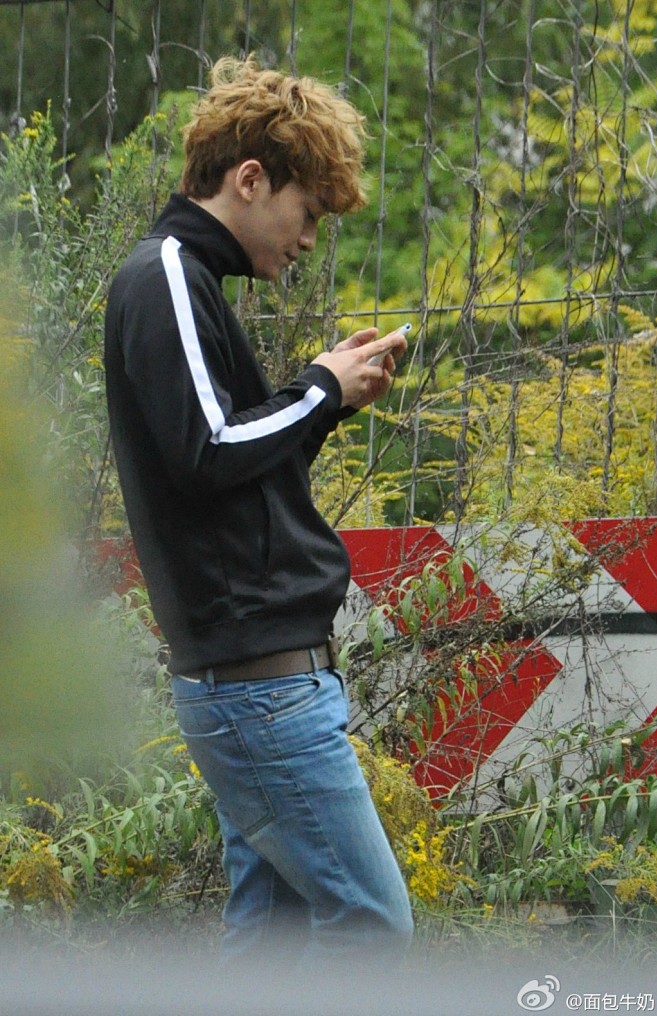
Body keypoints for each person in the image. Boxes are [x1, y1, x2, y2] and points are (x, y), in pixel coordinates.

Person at [104, 56, 413, 964]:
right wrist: (317, 388)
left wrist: (327, 402)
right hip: (259, 689)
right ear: (249, 179)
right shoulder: (167, 274)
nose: (310, 238)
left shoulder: (187, 279)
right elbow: (207, 451)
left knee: (268, 946)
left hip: (257, 684)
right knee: (372, 927)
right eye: (307, 211)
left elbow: (231, 470)